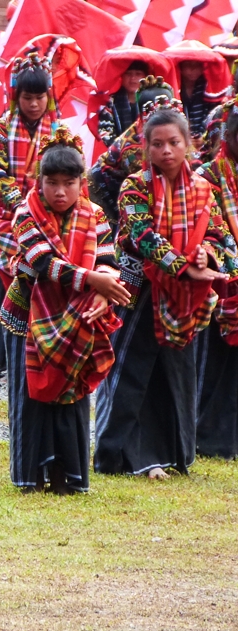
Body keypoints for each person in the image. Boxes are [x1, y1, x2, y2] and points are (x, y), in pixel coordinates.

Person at [95, 101, 234, 480]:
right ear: (146, 147)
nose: (166, 151)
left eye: (173, 142)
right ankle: (120, 455)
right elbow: (143, 236)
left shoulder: (203, 190)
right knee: (130, 372)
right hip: (139, 291)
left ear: (188, 144)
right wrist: (186, 266)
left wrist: (208, 256)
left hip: (184, 298)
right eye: (157, 144)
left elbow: (220, 237)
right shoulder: (134, 186)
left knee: (176, 374)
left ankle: (173, 454)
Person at [0, 129, 128, 494]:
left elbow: (107, 260)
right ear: (39, 181)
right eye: (52, 182)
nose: (60, 192)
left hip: (80, 315)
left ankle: (67, 478)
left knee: (73, 394)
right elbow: (43, 263)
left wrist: (102, 292)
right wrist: (94, 282)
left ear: (81, 182)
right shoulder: (25, 213)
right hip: (27, 316)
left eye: (68, 183)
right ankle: (29, 478)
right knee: (29, 396)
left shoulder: (95, 214)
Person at [0, 54, 58, 376]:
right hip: (8, 219)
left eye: (40, 97)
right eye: (27, 97)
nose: (34, 104)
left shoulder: (59, 130)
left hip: (48, 218)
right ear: (15, 96)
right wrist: (22, 204)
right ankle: (3, 355)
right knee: (4, 286)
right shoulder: (1, 129)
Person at [194, 108, 238, 459]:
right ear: (228, 137)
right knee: (215, 363)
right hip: (219, 276)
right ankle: (210, 438)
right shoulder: (206, 176)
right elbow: (206, 227)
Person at [88, 77, 175, 227]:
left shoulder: (169, 134)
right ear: (144, 116)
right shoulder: (133, 148)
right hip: (104, 192)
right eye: (159, 119)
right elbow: (149, 185)